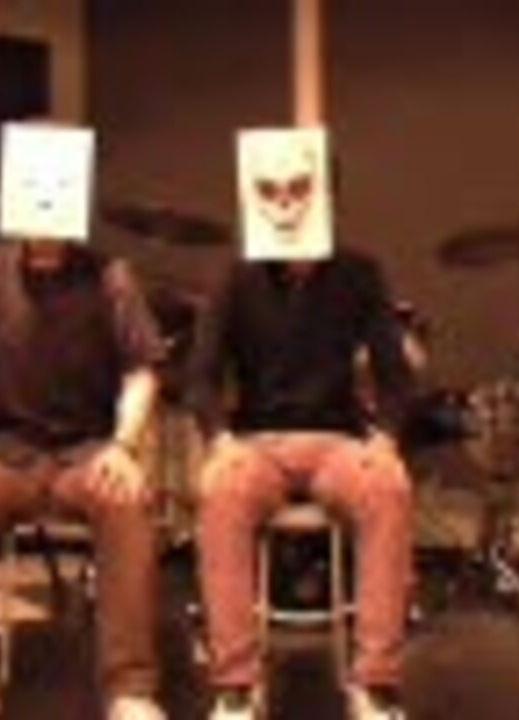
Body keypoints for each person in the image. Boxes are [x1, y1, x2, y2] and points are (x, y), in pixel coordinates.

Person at [0, 122, 166, 720]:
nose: (45, 198)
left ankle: (131, 689)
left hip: (85, 454)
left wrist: (122, 446)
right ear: (7, 196)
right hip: (1, 454)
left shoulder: (112, 278)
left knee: (128, 501)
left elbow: (142, 371)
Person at [189, 175, 415, 718]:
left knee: (388, 486)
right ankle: (236, 685)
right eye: (273, 193)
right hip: (256, 442)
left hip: (338, 440)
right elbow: (200, 376)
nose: (287, 205)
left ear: (327, 200)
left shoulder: (359, 273)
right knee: (220, 490)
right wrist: (219, 439)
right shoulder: (236, 275)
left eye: (300, 192)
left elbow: (396, 376)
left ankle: (376, 684)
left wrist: (386, 439)